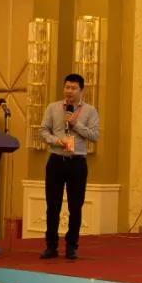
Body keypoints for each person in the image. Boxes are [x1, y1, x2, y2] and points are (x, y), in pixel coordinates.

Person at [39, 73, 100, 260]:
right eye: (67, 87)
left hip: (77, 162)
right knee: (53, 205)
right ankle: (51, 246)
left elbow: (94, 136)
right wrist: (56, 140)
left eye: (73, 88)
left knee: (76, 206)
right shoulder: (53, 107)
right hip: (56, 160)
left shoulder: (90, 111)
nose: (69, 91)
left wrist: (75, 123)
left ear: (81, 90)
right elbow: (43, 131)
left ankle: (71, 247)